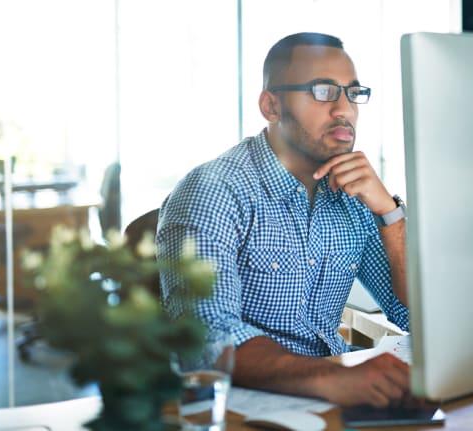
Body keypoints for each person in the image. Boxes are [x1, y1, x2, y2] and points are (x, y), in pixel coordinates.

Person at [157, 32, 410, 407]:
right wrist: (332, 377)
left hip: (330, 399)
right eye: (324, 91)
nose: (344, 109)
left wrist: (390, 213)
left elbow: (415, 315)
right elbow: (208, 339)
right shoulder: (213, 191)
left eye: (352, 93)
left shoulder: (355, 195)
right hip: (237, 407)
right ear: (271, 106)